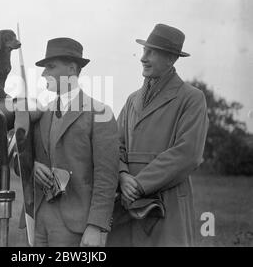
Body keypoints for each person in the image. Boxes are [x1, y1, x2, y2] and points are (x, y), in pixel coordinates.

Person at [107, 24, 209, 247]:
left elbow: (188, 153)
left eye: (151, 52)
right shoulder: (132, 99)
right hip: (126, 205)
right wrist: (123, 176)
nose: (142, 58)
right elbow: (114, 145)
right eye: (144, 51)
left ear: (171, 58)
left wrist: (139, 185)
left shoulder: (191, 98)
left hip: (166, 205)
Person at [33, 37, 119, 247]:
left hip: (76, 224)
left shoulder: (100, 113)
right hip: (39, 219)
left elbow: (106, 177)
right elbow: (22, 155)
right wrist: (33, 166)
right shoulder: (42, 112)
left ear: (72, 68)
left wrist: (96, 226)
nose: (44, 74)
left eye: (50, 67)